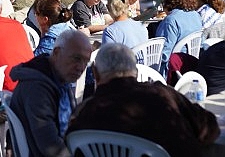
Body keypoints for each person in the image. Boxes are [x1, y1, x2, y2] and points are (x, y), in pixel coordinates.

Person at [68, 43, 219, 157]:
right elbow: (209, 127)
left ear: (95, 74)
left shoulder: (83, 114)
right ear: (136, 71)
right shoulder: (163, 95)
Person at [9, 29, 92, 157]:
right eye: (76, 59)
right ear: (57, 52)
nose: (81, 67)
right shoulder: (37, 88)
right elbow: (51, 147)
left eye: (85, 62)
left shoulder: (58, 77)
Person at [156, 0, 202, 76]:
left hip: (172, 71)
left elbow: (163, 54)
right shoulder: (196, 15)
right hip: (191, 65)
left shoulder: (171, 20)